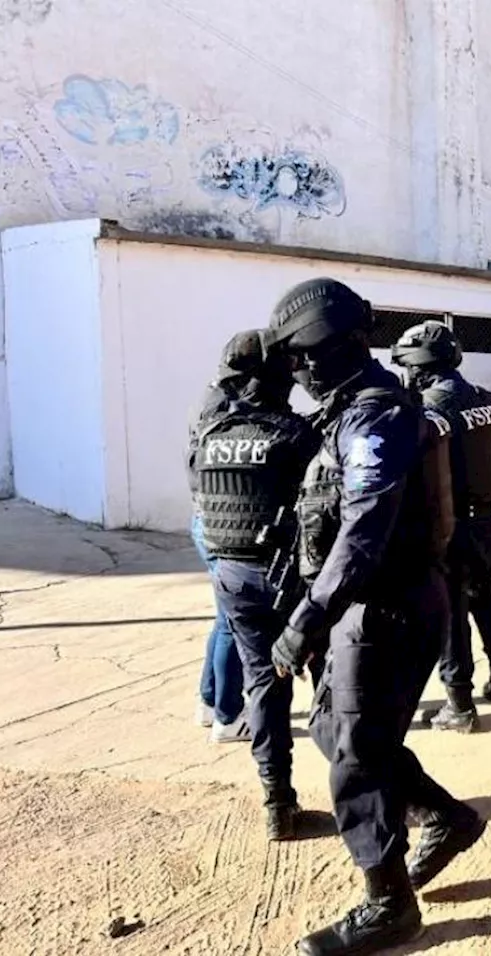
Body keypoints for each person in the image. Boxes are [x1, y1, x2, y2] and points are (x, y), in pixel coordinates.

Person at [260, 279, 485, 956]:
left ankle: (389, 905)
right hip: (363, 605)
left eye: (306, 356)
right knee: (340, 735)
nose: (298, 370)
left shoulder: (377, 416)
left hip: (387, 607)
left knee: (355, 757)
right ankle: (444, 817)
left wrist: (308, 617)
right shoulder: (342, 412)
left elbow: (365, 530)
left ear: (346, 347)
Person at [191, 331, 317, 839]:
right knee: (330, 684)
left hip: (232, 578)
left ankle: (277, 804)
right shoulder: (295, 434)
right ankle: (368, 801)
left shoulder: (210, 433)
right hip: (292, 580)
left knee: (263, 686)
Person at [391, 319, 491, 733]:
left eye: (407, 367)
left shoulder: (426, 412)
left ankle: (459, 705)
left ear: (420, 367)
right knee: (487, 599)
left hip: (452, 528)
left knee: (451, 614)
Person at [186, 334, 254, 743]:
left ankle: (210, 701)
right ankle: (229, 716)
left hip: (206, 518)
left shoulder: (212, 396)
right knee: (233, 621)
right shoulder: (227, 408)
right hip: (220, 521)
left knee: (223, 615)